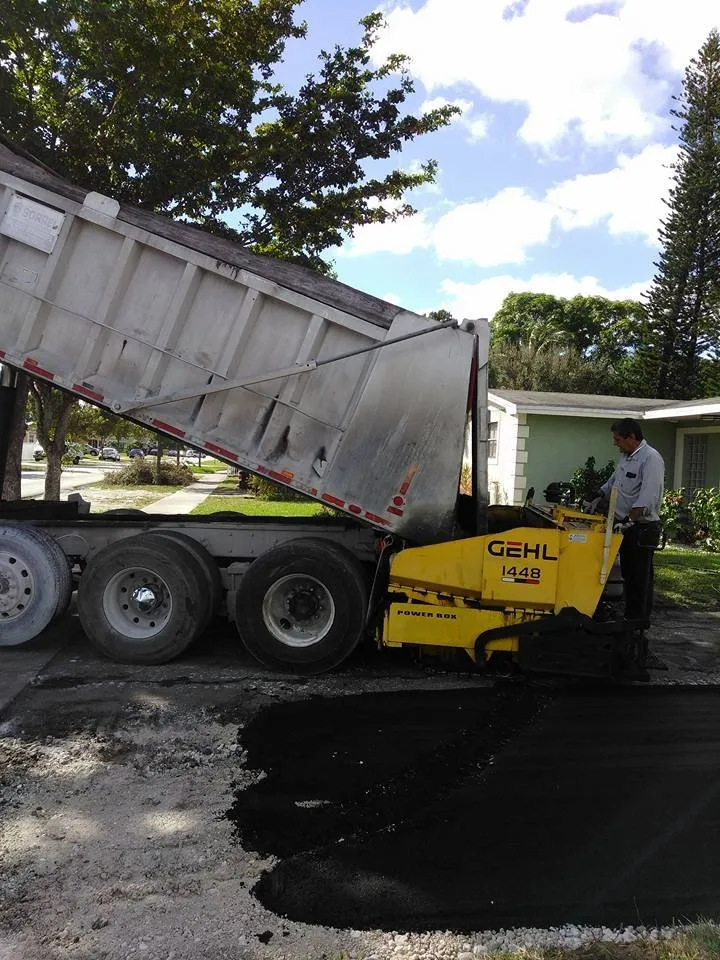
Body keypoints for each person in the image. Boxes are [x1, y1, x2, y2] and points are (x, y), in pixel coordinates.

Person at [598, 419, 665, 666]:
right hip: (624, 525)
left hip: (641, 528)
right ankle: (629, 621)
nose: (614, 443)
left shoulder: (651, 458)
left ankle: (638, 629)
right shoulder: (627, 458)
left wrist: (628, 521)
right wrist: (599, 493)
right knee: (627, 574)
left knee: (640, 579)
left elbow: (647, 496)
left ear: (631, 437)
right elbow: (613, 483)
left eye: (617, 439)